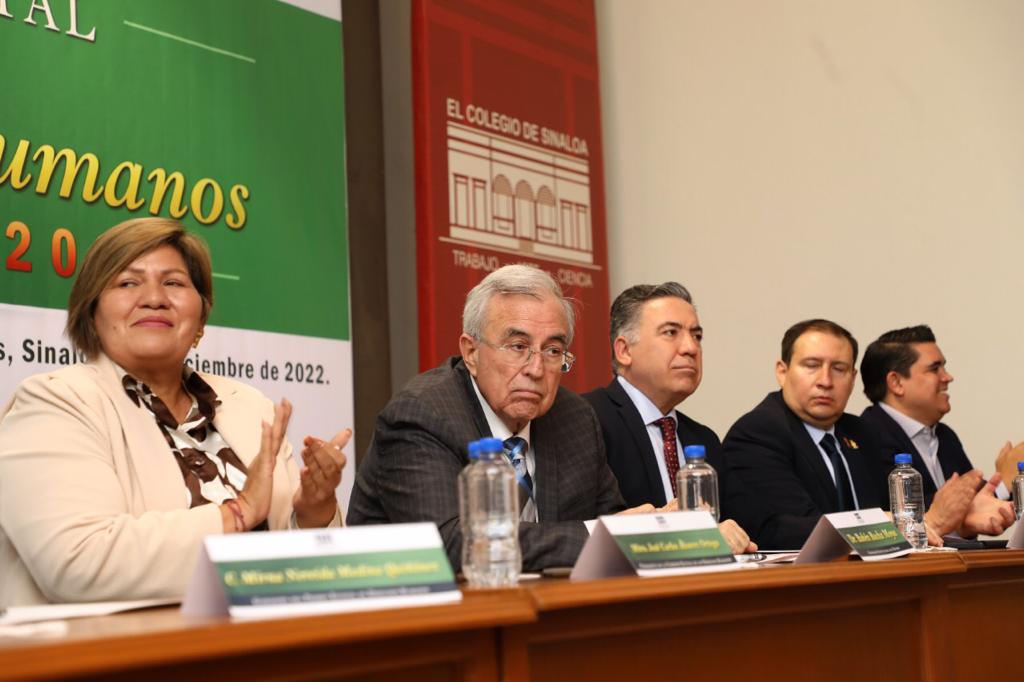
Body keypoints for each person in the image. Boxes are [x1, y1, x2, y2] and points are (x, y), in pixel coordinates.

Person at [0, 218, 349, 607]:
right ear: (92, 313)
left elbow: (301, 572)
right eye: (127, 283)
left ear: (200, 316)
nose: (154, 298)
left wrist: (314, 513)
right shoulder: (53, 402)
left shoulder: (250, 406)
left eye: (174, 283)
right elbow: (78, 563)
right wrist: (239, 512)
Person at [348, 264, 661, 571]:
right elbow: (451, 544)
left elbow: (611, 520)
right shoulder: (422, 414)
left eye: (553, 350)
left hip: (549, 601)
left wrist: (659, 528)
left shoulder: (575, 418)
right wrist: (595, 536)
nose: (536, 369)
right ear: (471, 353)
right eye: (518, 346)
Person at [583, 283, 755, 553]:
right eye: (671, 333)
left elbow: (741, 527)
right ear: (624, 351)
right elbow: (578, 529)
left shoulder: (703, 438)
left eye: (697, 336)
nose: (691, 348)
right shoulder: (585, 420)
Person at [721, 319, 889, 550]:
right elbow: (787, 529)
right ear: (782, 372)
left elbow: (890, 509)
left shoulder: (861, 432)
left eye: (839, 369)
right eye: (812, 366)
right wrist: (873, 527)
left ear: (852, 378)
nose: (825, 381)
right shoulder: (758, 432)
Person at [859, 325, 1015, 536]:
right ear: (896, 383)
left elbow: (972, 509)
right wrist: (1005, 480)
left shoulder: (945, 436)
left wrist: (1006, 485)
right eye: (934, 369)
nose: (947, 377)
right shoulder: (865, 437)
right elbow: (910, 514)